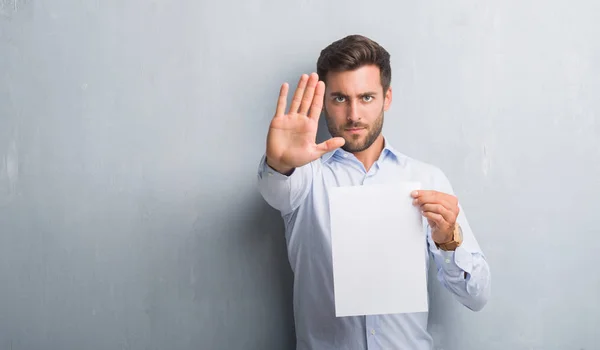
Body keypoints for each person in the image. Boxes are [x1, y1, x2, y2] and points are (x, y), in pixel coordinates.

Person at [256, 34, 491, 350]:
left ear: (387, 98)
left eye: (366, 97)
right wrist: (279, 164)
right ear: (324, 102)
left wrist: (448, 239)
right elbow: (276, 190)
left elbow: (477, 296)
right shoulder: (305, 178)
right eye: (340, 98)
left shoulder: (426, 178)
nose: (353, 115)